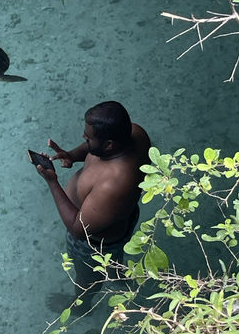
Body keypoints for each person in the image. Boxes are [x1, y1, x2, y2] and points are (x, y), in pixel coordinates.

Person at [33, 101, 151, 310]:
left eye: (88, 138)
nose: (84, 139)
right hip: (119, 220)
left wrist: (52, 182)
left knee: (86, 277)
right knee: (114, 260)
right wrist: (71, 155)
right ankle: (118, 277)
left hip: (95, 243)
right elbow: (92, 151)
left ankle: (82, 306)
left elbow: (79, 230)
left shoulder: (113, 184)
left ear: (109, 145)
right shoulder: (135, 133)